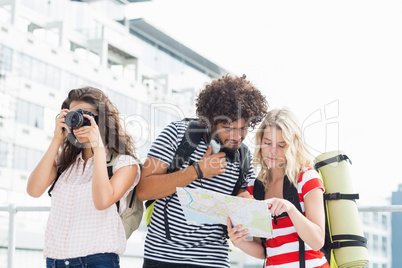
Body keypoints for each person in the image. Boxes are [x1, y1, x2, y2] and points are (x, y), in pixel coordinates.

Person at [136, 74, 268, 267]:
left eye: (243, 128)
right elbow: (143, 190)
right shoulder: (178, 134)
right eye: (228, 128)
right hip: (163, 257)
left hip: (215, 260)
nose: (237, 136)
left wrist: (246, 201)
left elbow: (245, 201)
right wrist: (197, 171)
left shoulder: (243, 156)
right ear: (211, 121)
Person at [26, 87, 140, 268]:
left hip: (97, 261)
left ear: (102, 121)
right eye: (73, 116)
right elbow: (33, 190)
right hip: (55, 262)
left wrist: (98, 147)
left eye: (87, 116)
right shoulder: (64, 163)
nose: (78, 122)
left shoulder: (125, 164)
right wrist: (57, 139)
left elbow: (102, 201)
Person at [227, 108, 329, 267]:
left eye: (281, 145)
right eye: (267, 143)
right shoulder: (255, 188)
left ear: (293, 146)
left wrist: (291, 209)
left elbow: (317, 241)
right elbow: (264, 250)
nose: (272, 152)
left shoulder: (306, 178)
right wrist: (238, 241)